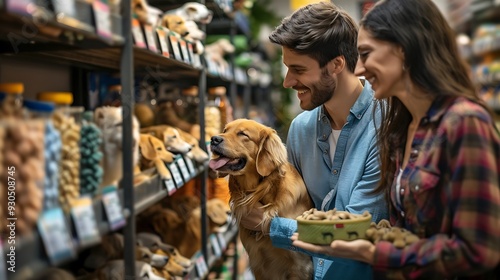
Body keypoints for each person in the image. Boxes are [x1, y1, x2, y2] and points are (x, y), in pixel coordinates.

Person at [291, 0, 500, 279]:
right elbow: (408, 232)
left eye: (366, 54)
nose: (360, 69)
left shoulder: (464, 123)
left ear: (403, 48)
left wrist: (377, 254)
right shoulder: (402, 126)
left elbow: (479, 251)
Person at [239, 2, 388, 279]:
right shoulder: (300, 129)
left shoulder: (384, 126)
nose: (287, 81)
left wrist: (270, 226)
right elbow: (289, 206)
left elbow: (357, 231)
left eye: (298, 69)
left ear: (336, 64)